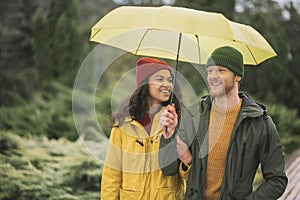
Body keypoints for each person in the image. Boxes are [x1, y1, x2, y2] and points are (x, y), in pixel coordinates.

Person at [159, 46, 288, 199]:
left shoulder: (260, 123)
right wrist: (168, 137)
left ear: (237, 76)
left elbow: (277, 181)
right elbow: (168, 169)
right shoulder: (193, 115)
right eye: (210, 71)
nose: (213, 76)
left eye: (221, 70)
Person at [101, 57, 186, 199]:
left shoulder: (179, 120)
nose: (167, 84)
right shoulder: (123, 124)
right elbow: (112, 175)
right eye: (159, 79)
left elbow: (188, 172)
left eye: (170, 80)